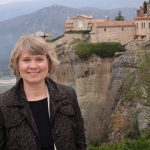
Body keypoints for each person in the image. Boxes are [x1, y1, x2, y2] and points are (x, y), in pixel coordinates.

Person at [0, 34, 87, 150]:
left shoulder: (68, 95)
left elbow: (80, 142)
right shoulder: (3, 104)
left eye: (39, 59)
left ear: (49, 63)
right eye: (26, 60)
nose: (33, 66)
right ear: (17, 65)